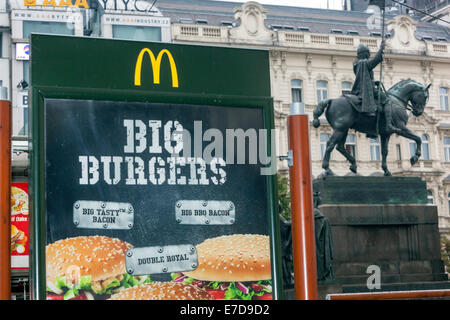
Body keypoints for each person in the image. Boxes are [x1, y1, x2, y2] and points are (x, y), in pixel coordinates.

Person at [351, 41, 396, 133]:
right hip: (368, 90)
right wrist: (381, 49)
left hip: (360, 89)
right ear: (365, 53)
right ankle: (388, 124)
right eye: (368, 53)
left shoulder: (357, 64)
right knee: (387, 100)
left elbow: (364, 78)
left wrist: (375, 82)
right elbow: (375, 61)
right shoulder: (364, 63)